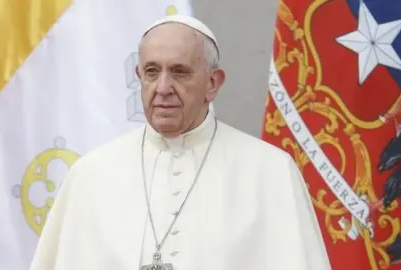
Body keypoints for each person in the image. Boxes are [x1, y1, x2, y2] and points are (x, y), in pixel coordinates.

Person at [28, 15, 331, 270]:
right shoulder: (90, 174)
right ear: (139, 76)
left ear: (213, 83)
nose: (162, 88)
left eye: (179, 72)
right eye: (151, 72)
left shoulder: (271, 172)